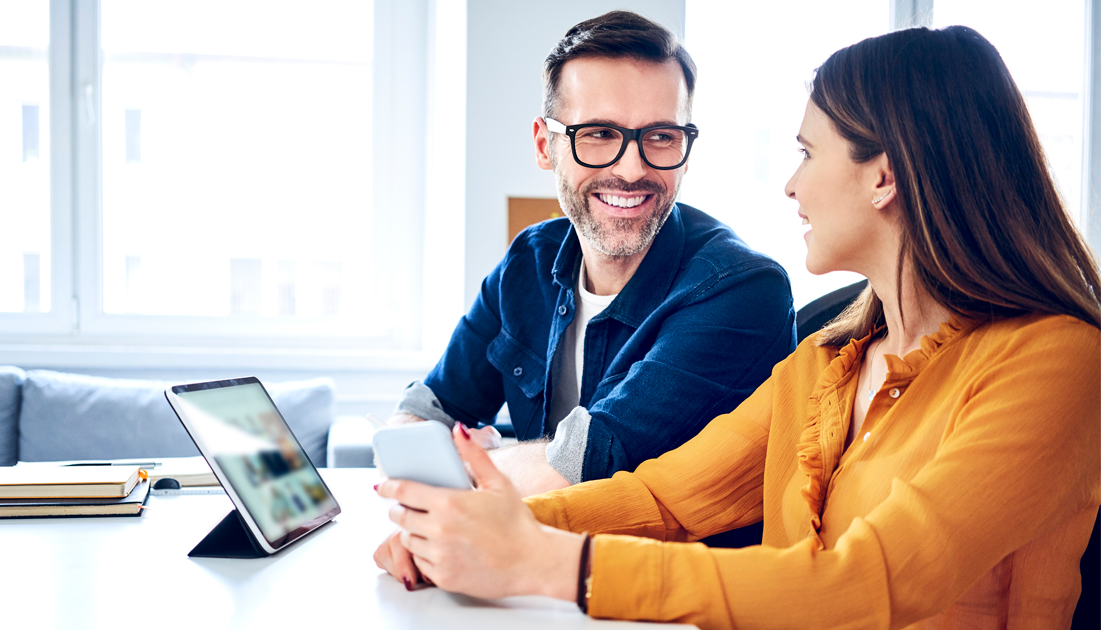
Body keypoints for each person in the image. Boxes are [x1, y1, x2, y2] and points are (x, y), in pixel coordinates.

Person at [373, 25, 1101, 627]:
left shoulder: (1056, 361)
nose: (790, 184)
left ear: (885, 177)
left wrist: (545, 557)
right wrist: (483, 534)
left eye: (807, 153)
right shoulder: (826, 360)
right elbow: (664, 498)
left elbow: (868, 584)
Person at [389, 11, 795, 499]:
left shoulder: (742, 290)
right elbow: (422, 417)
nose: (631, 168)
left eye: (661, 136)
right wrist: (460, 460)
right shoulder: (529, 262)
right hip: (523, 563)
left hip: (653, 573)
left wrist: (475, 458)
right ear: (545, 145)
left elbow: (584, 470)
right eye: (599, 134)